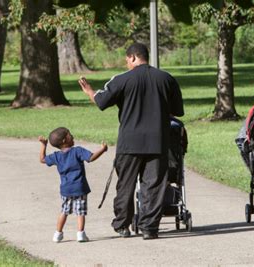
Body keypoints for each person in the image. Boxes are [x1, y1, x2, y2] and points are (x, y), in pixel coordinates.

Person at [78, 43, 184, 240]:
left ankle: (122, 225)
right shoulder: (166, 79)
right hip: (158, 141)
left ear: (133, 57)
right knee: (153, 185)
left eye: (127, 60)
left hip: (129, 142)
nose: (126, 63)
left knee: (125, 184)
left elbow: (101, 101)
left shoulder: (122, 80)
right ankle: (149, 228)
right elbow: (176, 111)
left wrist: (90, 92)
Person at [39, 127, 108, 242]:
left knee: (64, 211)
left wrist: (43, 145)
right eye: (70, 135)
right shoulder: (77, 151)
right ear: (64, 141)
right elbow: (91, 158)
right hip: (79, 188)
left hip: (66, 189)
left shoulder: (56, 156)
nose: (73, 136)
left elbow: (42, 159)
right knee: (80, 212)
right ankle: (80, 234)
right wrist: (102, 150)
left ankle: (57, 234)